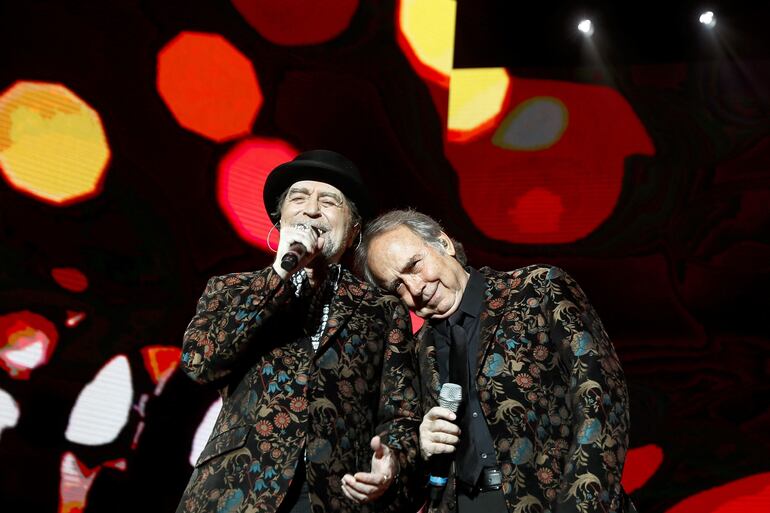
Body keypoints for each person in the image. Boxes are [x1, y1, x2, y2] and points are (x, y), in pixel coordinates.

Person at [176, 151, 421, 513]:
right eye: (299, 198)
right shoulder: (231, 289)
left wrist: (393, 460)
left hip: (337, 496)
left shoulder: (381, 309)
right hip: (237, 488)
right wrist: (279, 276)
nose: (311, 210)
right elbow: (201, 364)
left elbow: (401, 411)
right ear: (281, 220)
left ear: (353, 229)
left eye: (329, 201)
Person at [356, 209, 634, 513]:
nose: (415, 288)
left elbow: (601, 398)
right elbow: (408, 476)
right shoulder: (414, 351)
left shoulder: (538, 289)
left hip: (556, 500)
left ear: (443, 243)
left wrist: (580, 507)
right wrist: (421, 447)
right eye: (397, 285)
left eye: (414, 265)